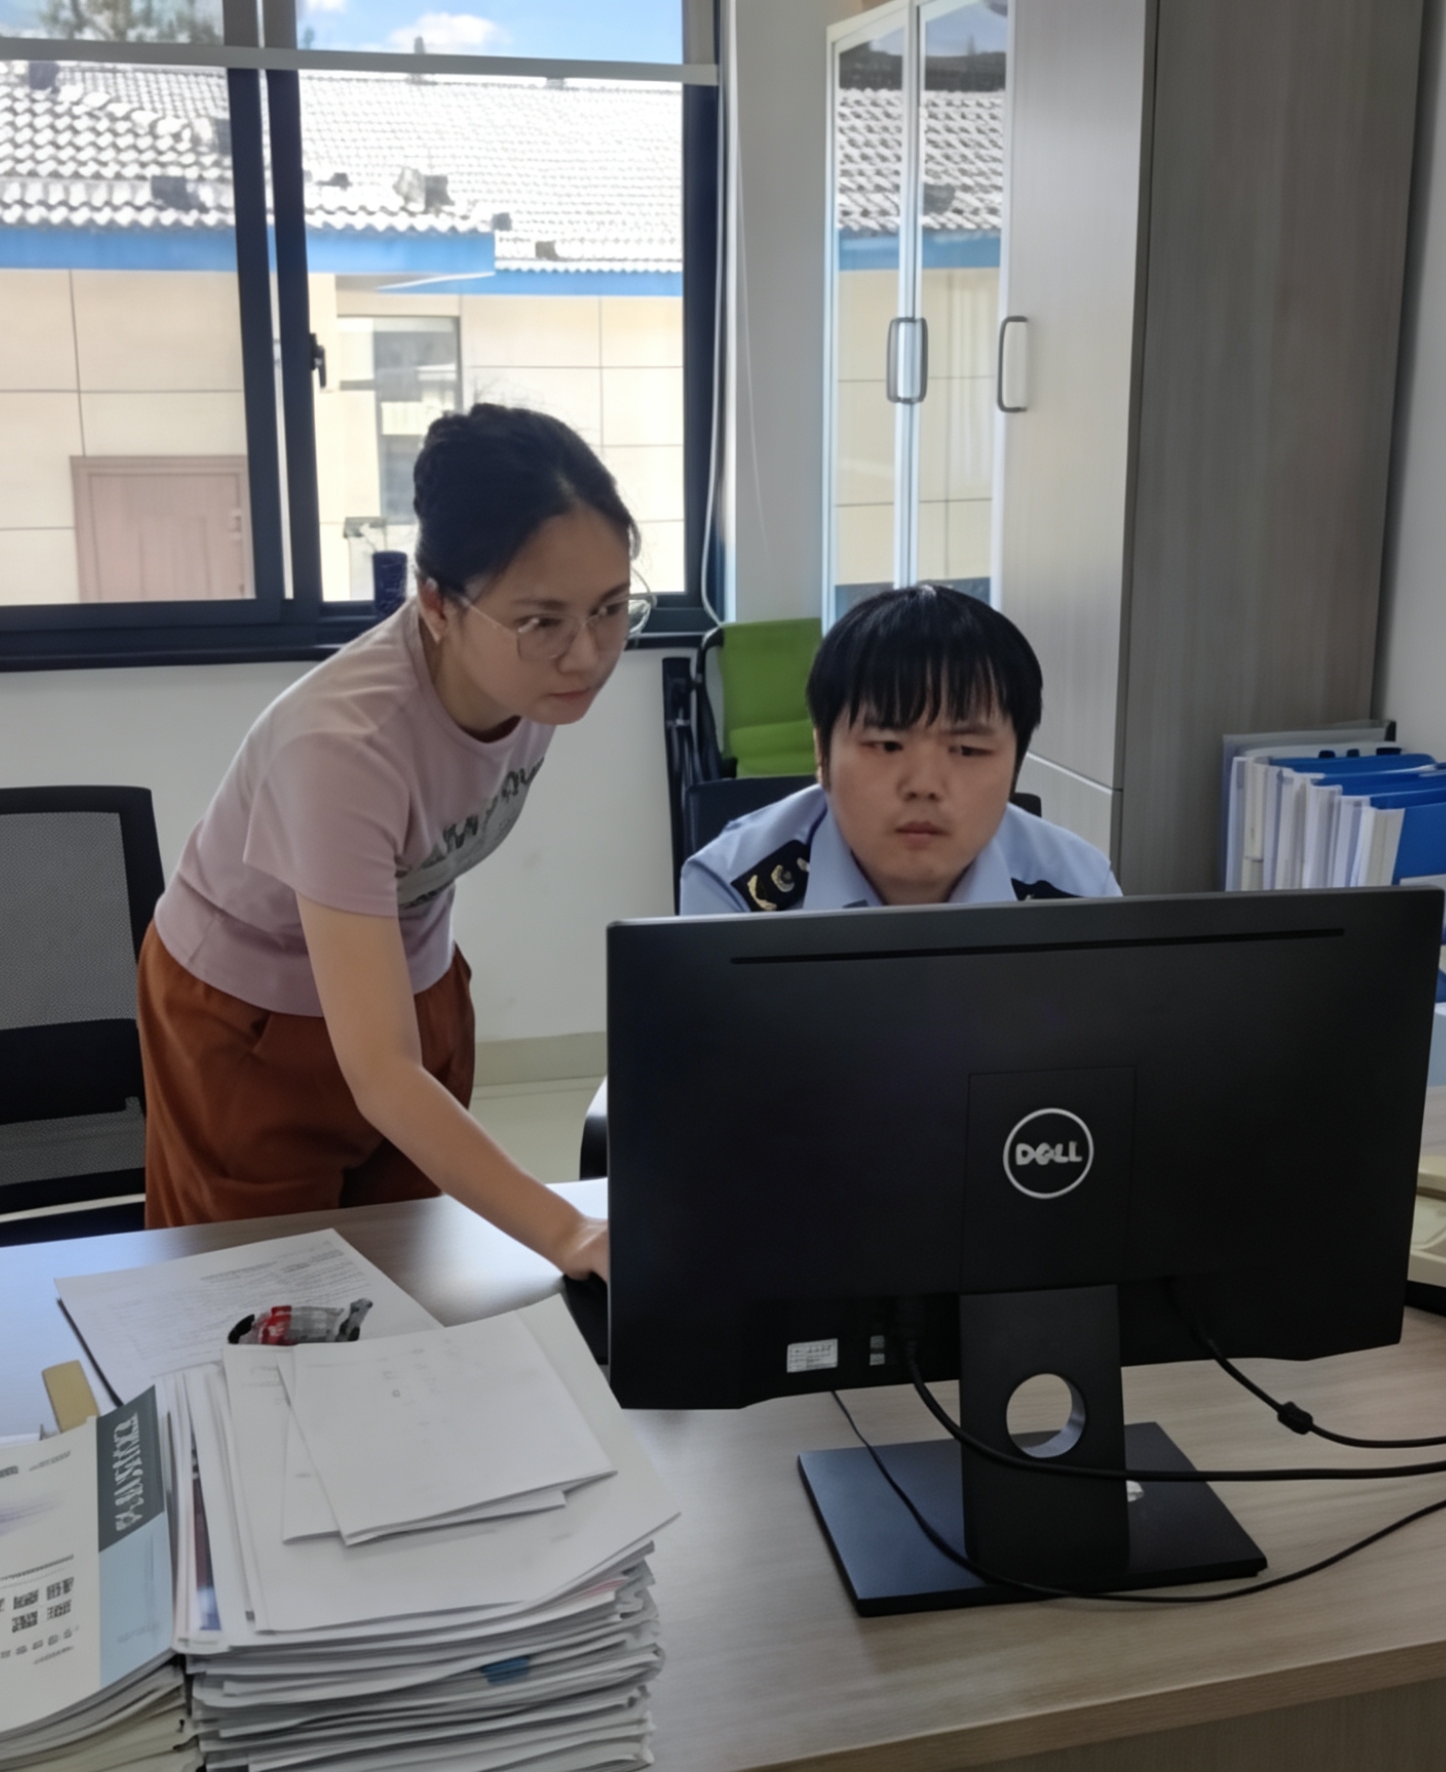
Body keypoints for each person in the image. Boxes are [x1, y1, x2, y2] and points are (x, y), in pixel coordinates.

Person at [140, 404, 646, 1280]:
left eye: (610, 609)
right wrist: (568, 1232)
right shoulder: (340, 746)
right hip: (248, 1020)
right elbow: (379, 1071)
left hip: (411, 978)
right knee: (264, 1300)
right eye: (543, 621)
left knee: (408, 1274)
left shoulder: (532, 683)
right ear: (438, 604)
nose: (587, 655)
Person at [681, 585, 1118, 914]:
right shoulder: (734, 893)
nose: (924, 784)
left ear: (1015, 765)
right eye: (887, 745)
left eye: (967, 749)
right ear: (822, 754)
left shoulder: (1079, 893)